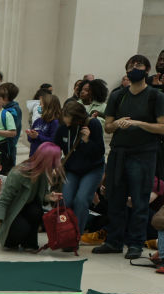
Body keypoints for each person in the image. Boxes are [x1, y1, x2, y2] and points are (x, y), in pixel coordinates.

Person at [95, 54, 164, 259]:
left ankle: (135, 243)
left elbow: (162, 127)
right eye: (131, 65)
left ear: (147, 69)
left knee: (140, 200)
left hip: (144, 154)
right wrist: (116, 124)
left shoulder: (155, 96)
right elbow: (107, 127)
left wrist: (137, 123)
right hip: (119, 152)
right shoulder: (118, 95)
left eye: (139, 65)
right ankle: (114, 241)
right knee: (115, 198)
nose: (134, 67)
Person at [0, 142, 64, 251]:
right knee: (23, 228)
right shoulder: (17, 174)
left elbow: (41, 197)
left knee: (37, 211)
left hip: (27, 209)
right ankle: (10, 239)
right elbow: (3, 201)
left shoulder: (42, 173)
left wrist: (49, 197)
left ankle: (30, 243)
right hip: (13, 212)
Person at [54, 99, 105, 236]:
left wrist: (87, 141)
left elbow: (99, 152)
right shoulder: (63, 126)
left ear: (78, 118)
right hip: (72, 169)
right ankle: (64, 233)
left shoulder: (93, 124)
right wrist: (57, 162)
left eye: (70, 119)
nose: (67, 122)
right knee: (66, 199)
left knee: (81, 200)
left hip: (92, 168)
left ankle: (76, 235)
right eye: (65, 118)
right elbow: (55, 146)